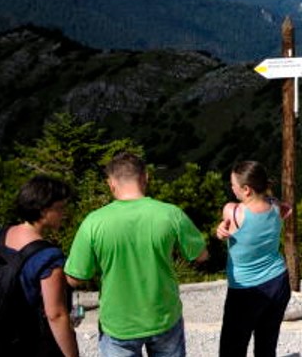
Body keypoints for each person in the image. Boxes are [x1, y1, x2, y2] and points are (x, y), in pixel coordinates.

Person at [65, 151, 208, 357]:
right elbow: (200, 255)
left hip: (118, 323)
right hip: (164, 316)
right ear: (146, 177)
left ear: (111, 183)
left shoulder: (93, 222)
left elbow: (75, 278)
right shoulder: (170, 214)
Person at [0, 176, 79, 357]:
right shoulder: (48, 257)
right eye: (60, 208)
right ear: (43, 210)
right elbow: (56, 315)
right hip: (37, 343)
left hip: (6, 338)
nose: (65, 213)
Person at [216, 161, 291, 357]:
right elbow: (287, 209)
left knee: (232, 348)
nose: (231, 188)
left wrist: (219, 232)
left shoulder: (232, 210)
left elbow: (226, 229)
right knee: (267, 345)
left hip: (245, 290)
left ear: (246, 189)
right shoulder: (275, 205)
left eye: (233, 184)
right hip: (279, 282)